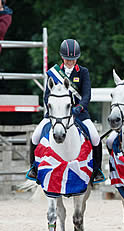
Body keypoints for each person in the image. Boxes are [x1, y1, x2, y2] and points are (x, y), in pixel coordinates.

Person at [27, 39, 104, 183]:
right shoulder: (53, 73)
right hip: (56, 115)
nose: (71, 62)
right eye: (68, 59)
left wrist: (79, 107)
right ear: (62, 57)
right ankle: (33, 168)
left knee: (95, 137)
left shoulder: (83, 72)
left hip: (79, 113)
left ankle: (97, 170)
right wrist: (53, 111)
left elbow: (87, 94)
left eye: (73, 59)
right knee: (35, 136)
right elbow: (46, 96)